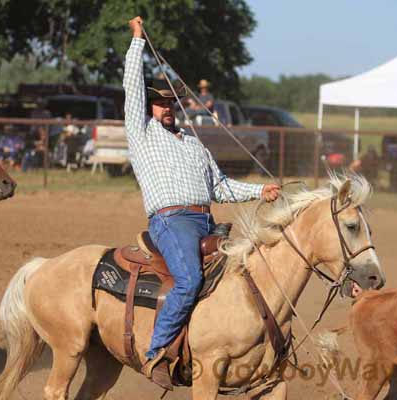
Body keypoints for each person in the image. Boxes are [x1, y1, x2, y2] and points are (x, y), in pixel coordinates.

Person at [124, 16, 280, 385]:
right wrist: (137, 42)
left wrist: (261, 191)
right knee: (190, 279)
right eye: (158, 103)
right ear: (149, 108)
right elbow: (131, 89)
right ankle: (158, 352)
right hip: (170, 221)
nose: (165, 108)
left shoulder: (194, 144)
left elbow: (221, 187)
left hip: (206, 221)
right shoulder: (142, 134)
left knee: (243, 271)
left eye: (169, 103)